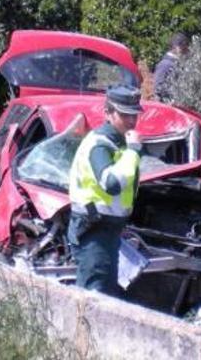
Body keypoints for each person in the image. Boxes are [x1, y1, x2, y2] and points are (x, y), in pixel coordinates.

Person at [67, 85, 143, 294]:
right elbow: (111, 184)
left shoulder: (120, 143)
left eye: (134, 115)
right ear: (108, 113)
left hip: (109, 228)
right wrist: (134, 152)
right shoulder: (100, 144)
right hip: (94, 228)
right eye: (125, 114)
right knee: (94, 292)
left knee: (107, 292)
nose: (131, 120)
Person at [153, 33, 190, 101]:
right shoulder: (165, 64)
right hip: (167, 104)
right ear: (174, 47)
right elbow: (158, 88)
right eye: (183, 47)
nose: (186, 51)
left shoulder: (178, 64)